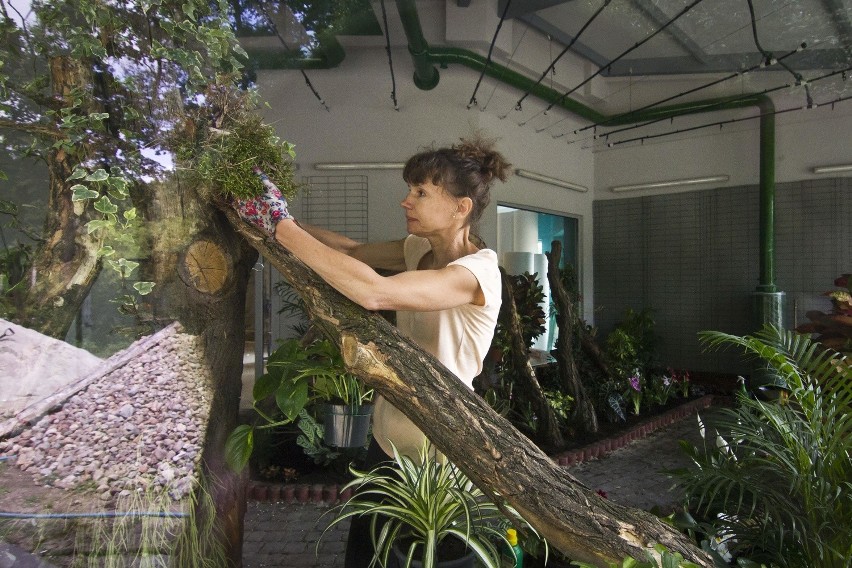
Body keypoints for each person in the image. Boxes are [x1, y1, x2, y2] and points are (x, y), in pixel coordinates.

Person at [235, 135, 511, 567]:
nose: (406, 201)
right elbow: (351, 251)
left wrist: (279, 227)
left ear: (461, 208)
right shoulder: (417, 249)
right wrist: (278, 215)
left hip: (439, 453)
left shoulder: (476, 275)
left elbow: (374, 292)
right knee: (365, 557)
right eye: (410, 189)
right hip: (385, 437)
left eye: (421, 192)